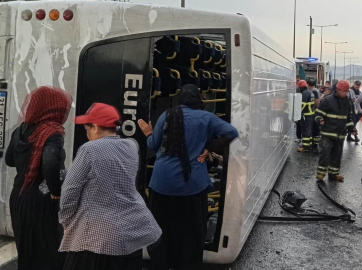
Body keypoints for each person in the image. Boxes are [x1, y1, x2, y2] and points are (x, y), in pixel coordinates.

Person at [137, 84, 238, 270]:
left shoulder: (167, 115)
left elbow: (153, 145)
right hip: (193, 184)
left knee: (161, 227)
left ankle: (161, 263)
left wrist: (148, 133)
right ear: (198, 101)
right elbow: (232, 132)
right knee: (191, 230)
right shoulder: (207, 117)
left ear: (180, 99)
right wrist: (210, 147)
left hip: (162, 182)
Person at [59, 103, 161, 270]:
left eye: (87, 130)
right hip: (133, 231)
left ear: (96, 127)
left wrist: (67, 221)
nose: (87, 135)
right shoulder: (131, 145)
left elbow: (70, 191)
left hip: (98, 238)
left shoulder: (89, 149)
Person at [5, 86, 72, 270]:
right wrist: (56, 192)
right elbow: (50, 163)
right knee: (48, 250)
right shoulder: (53, 132)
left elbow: (10, 159)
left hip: (18, 197)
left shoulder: (21, 130)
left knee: (27, 250)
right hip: (40, 200)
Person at [314, 81, 357, 181]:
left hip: (340, 134)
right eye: (344, 91)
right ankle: (320, 173)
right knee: (325, 153)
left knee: (337, 155)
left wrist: (352, 129)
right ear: (337, 90)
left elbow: (348, 118)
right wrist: (320, 119)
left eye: (347, 92)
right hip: (327, 134)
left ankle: (333, 174)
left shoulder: (347, 103)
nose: (346, 93)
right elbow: (318, 113)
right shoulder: (327, 100)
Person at [297, 80, 315, 152]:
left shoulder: (304, 93)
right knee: (309, 129)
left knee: (305, 129)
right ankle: (309, 144)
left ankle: (305, 147)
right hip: (311, 114)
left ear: (301, 87)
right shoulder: (310, 92)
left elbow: (303, 104)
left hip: (306, 114)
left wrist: (298, 111)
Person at [307, 78, 321, 153]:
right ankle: (313, 144)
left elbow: (316, 102)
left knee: (314, 128)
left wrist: (313, 109)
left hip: (314, 112)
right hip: (314, 112)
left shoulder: (313, 91)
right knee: (314, 129)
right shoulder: (316, 90)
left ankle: (314, 145)